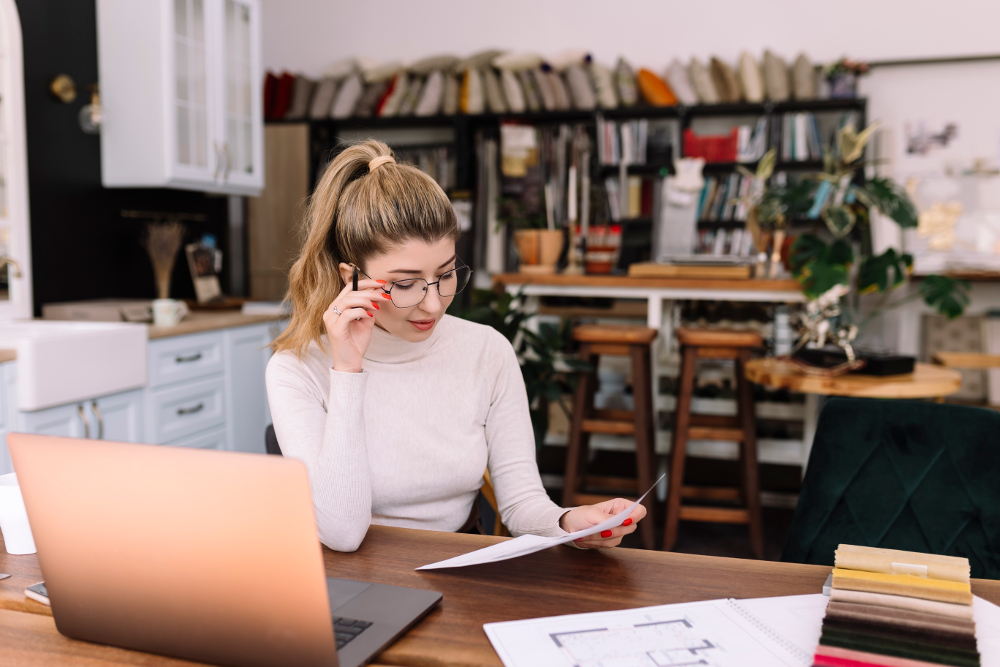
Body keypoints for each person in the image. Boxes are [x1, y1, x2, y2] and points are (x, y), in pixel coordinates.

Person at [266, 140, 645, 552]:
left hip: (459, 567)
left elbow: (520, 503)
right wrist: (348, 370)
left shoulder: (487, 352)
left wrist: (569, 523)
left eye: (446, 275)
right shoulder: (297, 368)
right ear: (351, 278)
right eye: (405, 284)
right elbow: (341, 533)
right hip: (352, 576)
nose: (433, 304)